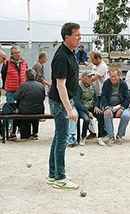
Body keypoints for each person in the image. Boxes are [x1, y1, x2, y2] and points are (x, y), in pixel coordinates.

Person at [46, 22, 80, 190]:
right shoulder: (61, 56)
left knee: (58, 137)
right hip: (60, 103)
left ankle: (53, 174)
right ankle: (60, 177)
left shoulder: (71, 53)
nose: (79, 38)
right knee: (62, 139)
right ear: (67, 37)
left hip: (64, 101)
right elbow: (60, 85)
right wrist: (69, 109)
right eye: (76, 35)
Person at [1, 45, 28, 140]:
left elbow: (26, 75)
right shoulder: (7, 63)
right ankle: (10, 131)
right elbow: (3, 76)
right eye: (16, 53)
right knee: (11, 111)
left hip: (22, 91)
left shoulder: (24, 62)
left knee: (21, 110)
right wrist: (5, 87)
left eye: (19, 52)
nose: (18, 55)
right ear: (12, 54)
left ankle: (21, 129)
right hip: (11, 90)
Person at [74, 70, 106, 146]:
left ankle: (100, 136)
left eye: (91, 76)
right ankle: (83, 137)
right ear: (83, 78)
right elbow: (77, 103)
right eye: (89, 77)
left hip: (91, 106)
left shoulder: (92, 85)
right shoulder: (78, 86)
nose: (91, 78)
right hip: (82, 107)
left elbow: (96, 98)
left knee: (101, 115)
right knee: (86, 119)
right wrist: (87, 112)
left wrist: (96, 106)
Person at [101, 68, 130, 147]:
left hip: (121, 105)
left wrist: (121, 109)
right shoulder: (106, 83)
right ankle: (111, 137)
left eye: (115, 76)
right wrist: (106, 107)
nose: (113, 78)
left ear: (119, 76)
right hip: (109, 105)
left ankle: (120, 135)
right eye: (111, 76)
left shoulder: (123, 84)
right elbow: (103, 96)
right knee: (107, 115)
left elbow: (127, 98)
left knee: (126, 116)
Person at [13, 68, 45, 140]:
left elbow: (15, 97)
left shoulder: (23, 86)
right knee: (34, 111)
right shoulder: (40, 86)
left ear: (26, 77)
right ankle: (35, 133)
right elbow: (42, 98)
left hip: (25, 110)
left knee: (17, 111)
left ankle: (14, 133)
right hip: (39, 110)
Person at [87, 51, 108, 139]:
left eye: (93, 60)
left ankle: (103, 132)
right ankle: (92, 131)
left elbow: (94, 78)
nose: (92, 62)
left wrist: (85, 79)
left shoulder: (102, 66)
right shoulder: (95, 67)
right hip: (95, 92)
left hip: (101, 94)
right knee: (91, 112)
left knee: (99, 113)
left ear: (98, 59)